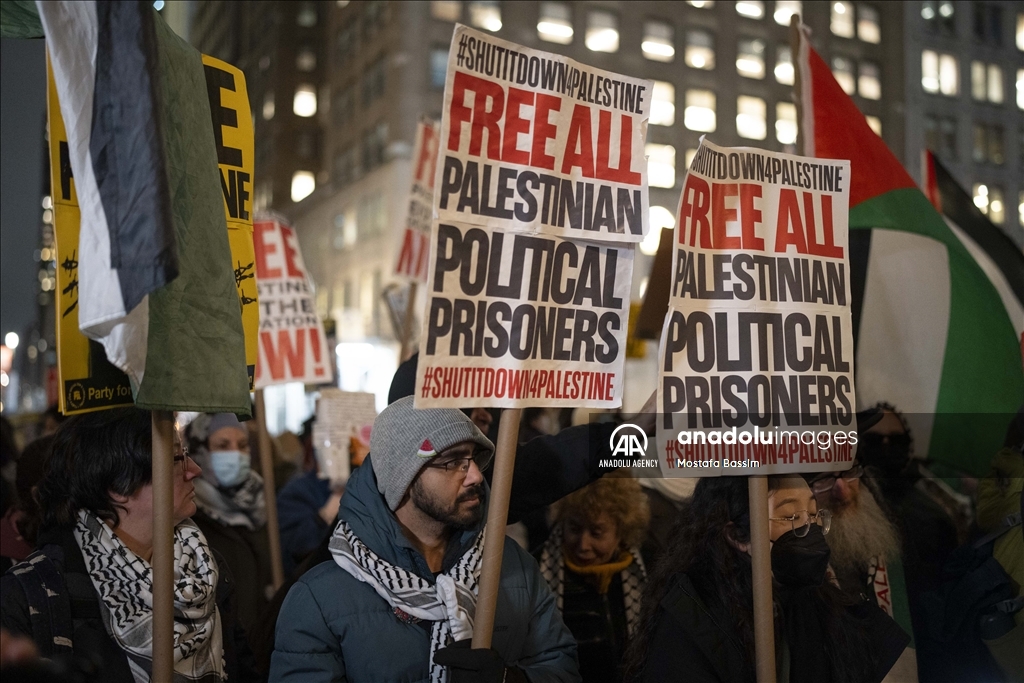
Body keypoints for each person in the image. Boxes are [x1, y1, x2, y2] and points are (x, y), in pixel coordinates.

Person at [269, 397, 580, 682]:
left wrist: (511, 680)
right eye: (451, 462)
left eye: (472, 458)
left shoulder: (512, 566)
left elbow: (561, 665)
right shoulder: (320, 598)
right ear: (402, 477)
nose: (474, 475)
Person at [0, 407, 260, 682]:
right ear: (119, 487)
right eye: (176, 458)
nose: (193, 470)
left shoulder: (206, 568)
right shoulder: (34, 593)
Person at [625, 475, 909, 683]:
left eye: (812, 514)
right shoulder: (693, 619)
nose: (808, 529)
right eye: (790, 516)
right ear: (737, 536)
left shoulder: (822, 601)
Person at [537, 474, 649, 683]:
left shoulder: (648, 572)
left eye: (597, 533)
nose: (583, 545)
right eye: (574, 529)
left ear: (622, 530)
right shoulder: (536, 574)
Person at [184, 413, 274, 638]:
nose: (235, 454)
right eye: (223, 446)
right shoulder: (189, 516)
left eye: (242, 445)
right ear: (199, 452)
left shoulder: (262, 505)